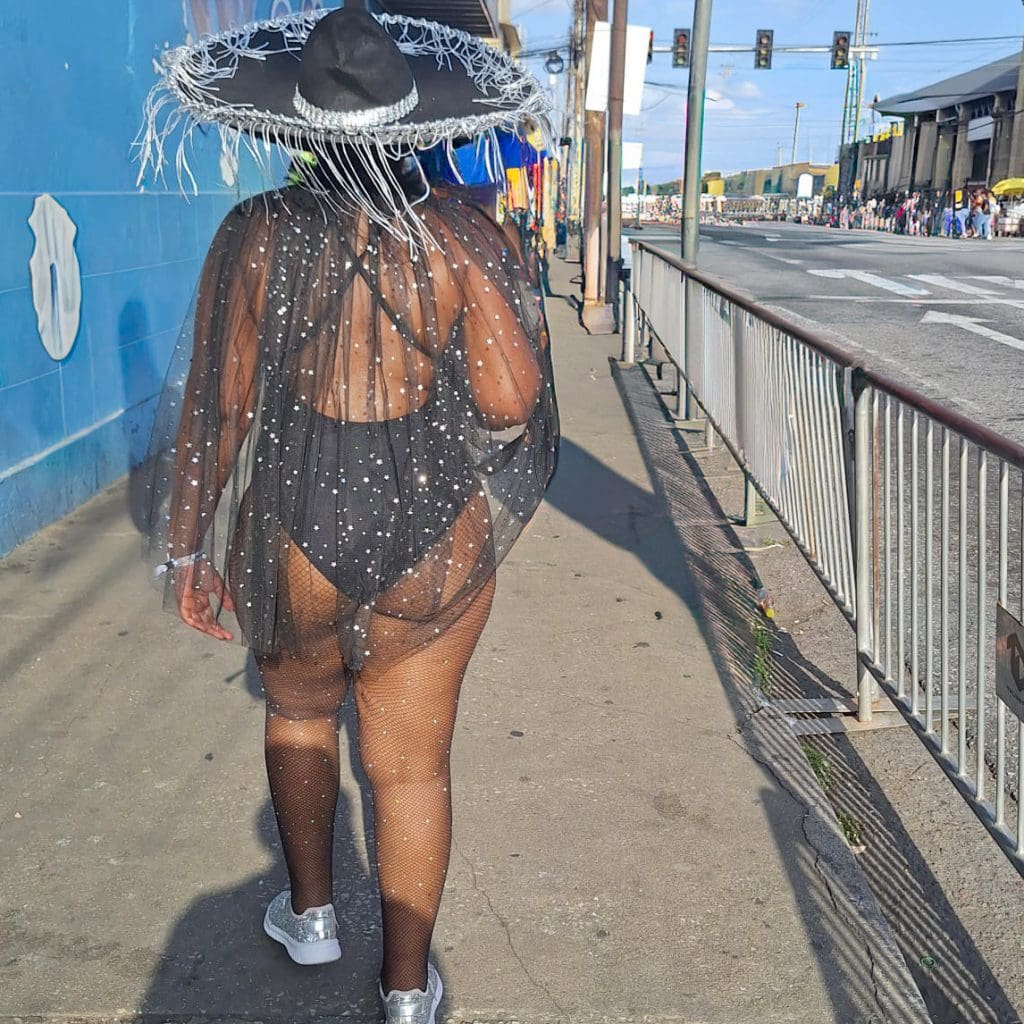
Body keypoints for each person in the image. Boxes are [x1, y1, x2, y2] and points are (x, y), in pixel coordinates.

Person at [138, 4, 558, 1021]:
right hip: (435, 531)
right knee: (410, 765)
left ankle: (314, 914)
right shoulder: (464, 235)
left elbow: (217, 405)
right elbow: (509, 403)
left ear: (303, 125)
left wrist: (186, 546)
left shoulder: (256, 233)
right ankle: (408, 989)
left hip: (294, 520)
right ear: (416, 123)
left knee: (296, 714)